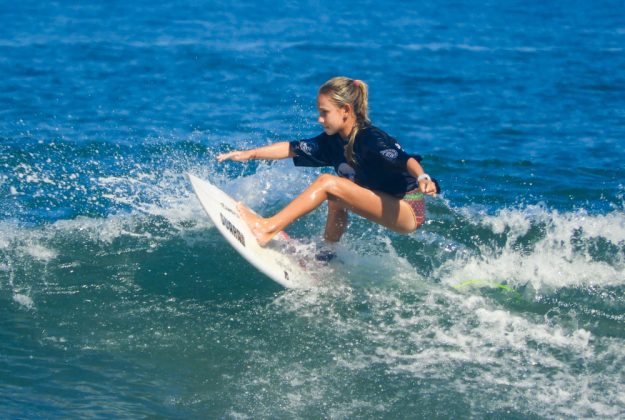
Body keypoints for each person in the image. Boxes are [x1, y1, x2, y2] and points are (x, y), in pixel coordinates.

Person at [217, 76, 439, 248]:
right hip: (386, 199)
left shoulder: (371, 138)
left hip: (408, 208)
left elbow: (405, 158)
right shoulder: (332, 141)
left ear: (345, 111)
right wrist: (250, 153)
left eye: (324, 112)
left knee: (328, 183)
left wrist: (422, 177)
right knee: (336, 196)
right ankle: (329, 252)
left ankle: (266, 229)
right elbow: (291, 148)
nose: (319, 119)